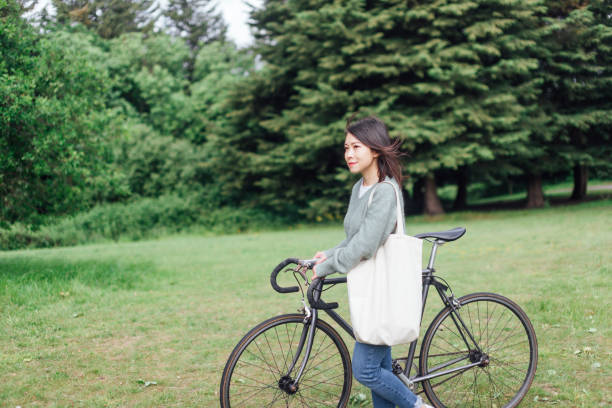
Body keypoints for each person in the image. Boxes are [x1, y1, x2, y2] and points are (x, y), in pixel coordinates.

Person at [311, 115, 432, 408]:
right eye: (346, 147)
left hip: (383, 289)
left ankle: (417, 406)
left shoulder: (385, 191)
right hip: (374, 290)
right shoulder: (359, 189)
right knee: (380, 368)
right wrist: (326, 254)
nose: (349, 154)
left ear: (375, 150)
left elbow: (366, 245)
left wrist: (327, 267)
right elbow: (354, 237)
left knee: (365, 369)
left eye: (356, 147)